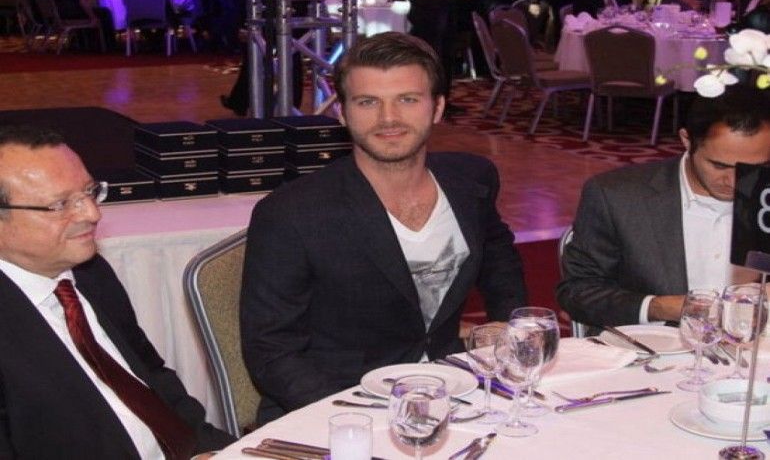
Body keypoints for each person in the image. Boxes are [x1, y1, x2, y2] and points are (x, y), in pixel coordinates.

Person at [240, 31, 528, 424]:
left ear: (438, 107)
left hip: (453, 395)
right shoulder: (291, 213)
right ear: (342, 112)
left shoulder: (471, 180)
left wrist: (507, 321)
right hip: (337, 409)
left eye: (407, 99)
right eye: (367, 102)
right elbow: (271, 353)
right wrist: (364, 419)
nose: (388, 118)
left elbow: (498, 257)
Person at [0, 125, 234, 458]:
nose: (92, 213)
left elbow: (152, 378)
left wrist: (206, 449)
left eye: (89, 192)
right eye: (61, 205)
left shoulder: (91, 274)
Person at [557, 85, 770, 329]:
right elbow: (578, 292)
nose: (734, 182)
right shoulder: (617, 196)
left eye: (753, 168)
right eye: (719, 166)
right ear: (686, 141)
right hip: (655, 346)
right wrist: (661, 307)